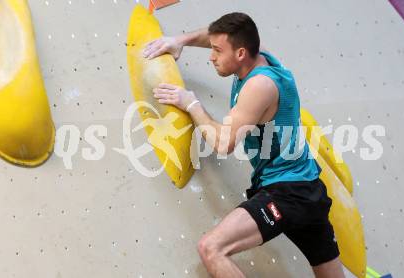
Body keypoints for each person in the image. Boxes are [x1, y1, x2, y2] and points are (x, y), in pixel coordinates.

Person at [143, 12, 345, 278]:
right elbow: (216, 36)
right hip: (307, 188)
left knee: (212, 248)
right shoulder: (257, 56)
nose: (211, 56)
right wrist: (180, 40)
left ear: (240, 54)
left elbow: (224, 143)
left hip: (287, 191)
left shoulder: (260, 86)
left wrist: (191, 104)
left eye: (217, 51)